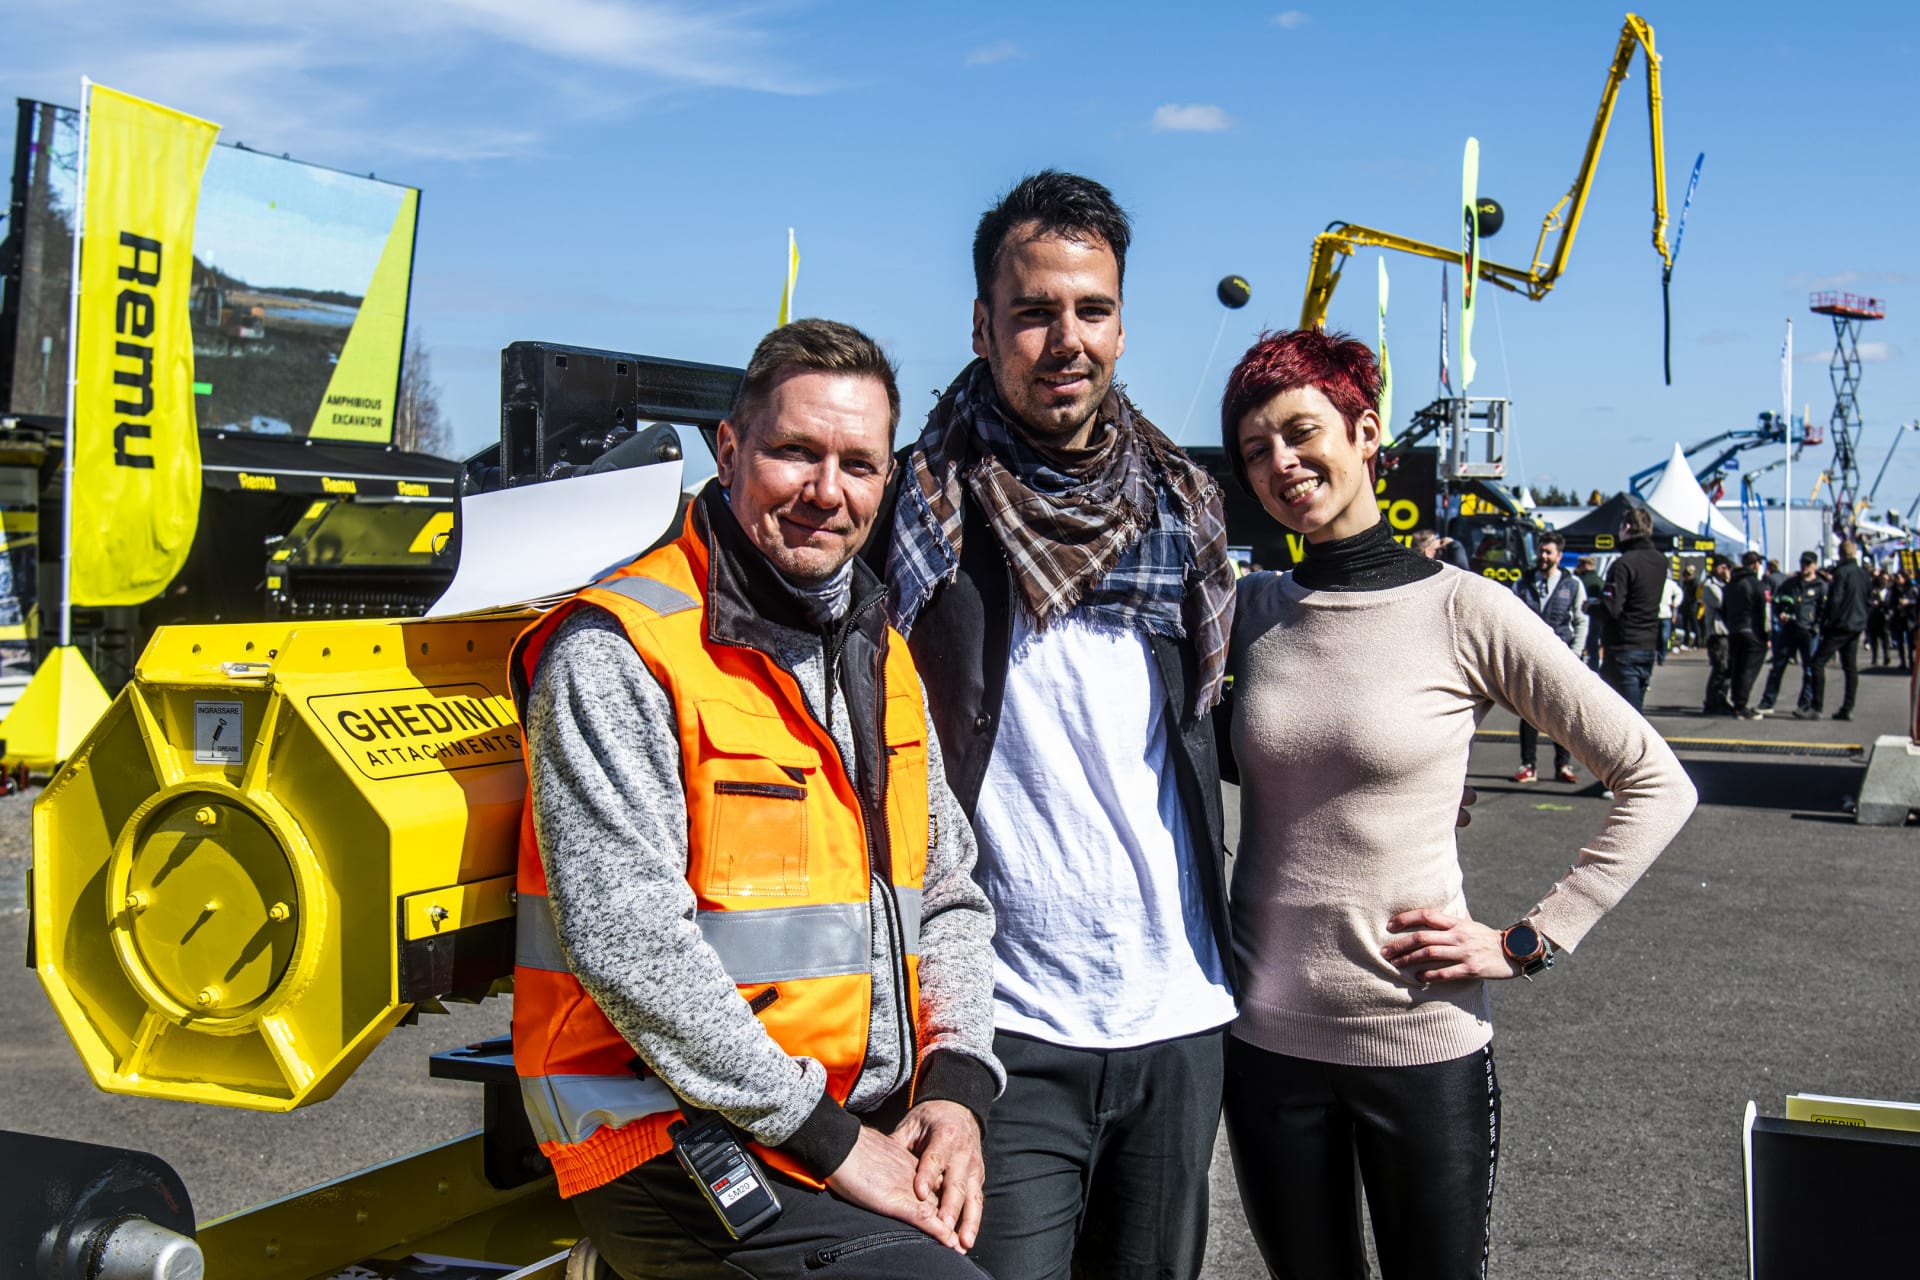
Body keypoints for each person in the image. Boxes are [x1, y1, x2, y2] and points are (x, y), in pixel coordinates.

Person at [513, 320, 1002, 1280]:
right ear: (729, 449)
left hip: (848, 1115)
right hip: (665, 1130)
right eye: (795, 452)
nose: (827, 491)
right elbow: (631, 946)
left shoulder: (879, 652)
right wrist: (831, 1141)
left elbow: (947, 895)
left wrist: (955, 1090)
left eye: (859, 465)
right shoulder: (620, 650)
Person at [1217, 329, 1696, 1280]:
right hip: (1263, 1042)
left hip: (1420, 1040)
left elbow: (1656, 779)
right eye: (1256, 451)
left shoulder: (1467, 610)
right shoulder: (1250, 611)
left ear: (1365, 433)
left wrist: (1531, 939)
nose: (1282, 464)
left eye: (1302, 433)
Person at [871, 171, 1238, 1280]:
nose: (1065, 339)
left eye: (1091, 309)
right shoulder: (912, 511)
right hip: (1000, 1026)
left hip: (1176, 1014)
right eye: (1033, 311)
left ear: (1122, 326)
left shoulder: (1181, 507)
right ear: (983, 327)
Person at [1511, 530, 1587, 783]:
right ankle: (1528, 765)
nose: (1543, 556)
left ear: (1559, 556)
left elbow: (1581, 620)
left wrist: (1575, 654)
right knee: (1528, 714)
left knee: (1562, 715)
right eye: (1541, 551)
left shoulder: (1573, 584)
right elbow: (1510, 619)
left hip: (1561, 659)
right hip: (1529, 659)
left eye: (1548, 552)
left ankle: (1563, 765)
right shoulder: (1522, 583)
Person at [1598, 506, 1667, 712]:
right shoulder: (1660, 561)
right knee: (1635, 709)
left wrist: (1590, 607)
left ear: (1627, 527)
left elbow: (1612, 608)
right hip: (1647, 643)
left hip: (1623, 646)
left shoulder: (1623, 564)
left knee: (1619, 714)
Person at [1758, 550, 1825, 718]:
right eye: (1803, 563)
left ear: (1815, 565)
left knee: (1809, 670)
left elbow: (1824, 610)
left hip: (1809, 631)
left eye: (1808, 563)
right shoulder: (1790, 583)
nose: (1804, 566)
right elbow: (1778, 600)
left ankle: (1804, 705)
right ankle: (1767, 702)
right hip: (1790, 629)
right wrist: (1781, 612)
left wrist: (1816, 626)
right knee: (1778, 666)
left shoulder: (1820, 586)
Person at [1809, 538, 1871, 721]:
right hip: (1857, 623)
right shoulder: (1863, 574)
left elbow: (1835, 600)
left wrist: (1826, 622)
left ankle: (1817, 706)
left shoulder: (1841, 573)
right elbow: (1868, 598)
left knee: (1818, 662)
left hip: (1841, 623)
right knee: (1850, 666)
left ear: (1841, 554)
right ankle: (1847, 707)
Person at [1723, 549, 1770, 719]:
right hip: (1752, 630)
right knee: (1749, 669)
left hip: (1735, 629)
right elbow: (1764, 611)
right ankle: (1741, 704)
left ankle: (1737, 702)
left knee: (1737, 666)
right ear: (1756, 565)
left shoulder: (1731, 584)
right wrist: (1766, 635)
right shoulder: (1757, 585)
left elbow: (1724, 609)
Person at [1576, 554, 1606, 670]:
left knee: (1582, 643)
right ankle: (1594, 667)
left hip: (1583, 616)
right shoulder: (1600, 581)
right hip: (1597, 617)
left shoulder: (1580, 581)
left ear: (1585, 566)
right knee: (1594, 645)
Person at [1658, 568, 1683, 663]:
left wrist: (1675, 603)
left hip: (1666, 614)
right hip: (1655, 614)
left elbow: (1679, 593)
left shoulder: (1670, 584)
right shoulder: (1654, 582)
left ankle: (1662, 656)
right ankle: (1658, 654)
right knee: (1657, 637)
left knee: (1664, 637)